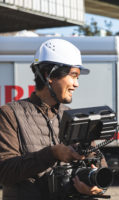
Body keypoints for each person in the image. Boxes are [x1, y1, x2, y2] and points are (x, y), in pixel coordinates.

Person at [0, 39, 106, 200]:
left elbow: (100, 162)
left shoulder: (74, 116)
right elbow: (4, 171)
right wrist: (52, 153)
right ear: (48, 75)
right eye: (73, 75)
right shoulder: (10, 114)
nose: (76, 84)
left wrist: (95, 181)